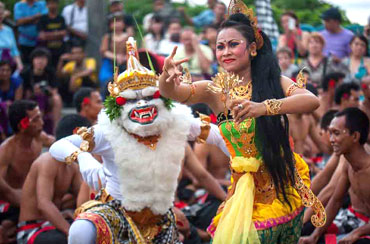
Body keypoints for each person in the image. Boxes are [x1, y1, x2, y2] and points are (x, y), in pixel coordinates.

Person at [159, 0, 323, 242]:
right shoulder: (215, 90)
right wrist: (166, 77)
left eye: (233, 45)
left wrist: (263, 108)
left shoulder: (272, 82)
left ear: (253, 48)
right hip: (241, 190)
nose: (225, 52)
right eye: (220, 46)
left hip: (278, 187)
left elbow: (311, 101)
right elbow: (174, 94)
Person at [49, 37, 226, 243]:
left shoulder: (175, 121)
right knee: (81, 229)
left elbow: (219, 135)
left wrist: (244, 162)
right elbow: (58, 145)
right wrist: (83, 159)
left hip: (160, 216)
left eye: (149, 97)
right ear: (118, 105)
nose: (141, 104)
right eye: (132, 99)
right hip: (115, 210)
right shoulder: (109, 130)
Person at [299, 108, 370, 244]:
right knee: (308, 232)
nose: (331, 140)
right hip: (355, 220)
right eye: (330, 133)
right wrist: (314, 236)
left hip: (363, 227)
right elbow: (335, 201)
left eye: (336, 133)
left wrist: (357, 233)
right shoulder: (348, 165)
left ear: (355, 136)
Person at [16, 114, 86, 244]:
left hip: (51, 226)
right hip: (31, 230)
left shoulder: (72, 167)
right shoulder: (48, 160)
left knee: (90, 230)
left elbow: (84, 199)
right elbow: (43, 204)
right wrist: (70, 232)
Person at [0, 100, 54, 241]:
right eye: (36, 119)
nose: (41, 122)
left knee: (66, 199)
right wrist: (28, 202)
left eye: (40, 117)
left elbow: (56, 142)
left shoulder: (39, 138)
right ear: (22, 125)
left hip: (33, 197)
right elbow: (3, 189)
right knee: (6, 226)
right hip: (11, 203)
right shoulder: (6, 151)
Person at [21, 47, 62, 134]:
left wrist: (48, 90)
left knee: (57, 98)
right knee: (39, 99)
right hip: (30, 100)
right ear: (33, 60)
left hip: (47, 99)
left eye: (43, 58)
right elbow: (22, 94)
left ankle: (56, 131)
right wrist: (33, 92)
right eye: (38, 58)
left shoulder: (50, 72)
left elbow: (55, 91)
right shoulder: (26, 73)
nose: (40, 61)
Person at [14, 0, 48, 65]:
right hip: (24, 42)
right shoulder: (19, 5)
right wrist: (36, 17)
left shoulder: (42, 3)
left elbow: (45, 18)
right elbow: (19, 22)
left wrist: (26, 20)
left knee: (40, 64)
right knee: (26, 64)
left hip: (41, 42)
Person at [99, 14, 128, 89]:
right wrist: (116, 57)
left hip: (125, 62)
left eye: (119, 21)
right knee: (105, 79)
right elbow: (104, 51)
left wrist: (124, 57)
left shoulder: (128, 36)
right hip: (110, 63)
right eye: (114, 22)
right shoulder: (108, 37)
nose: (117, 24)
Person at [37, 0, 67, 68]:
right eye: (50, 3)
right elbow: (42, 36)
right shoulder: (43, 19)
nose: (52, 6)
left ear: (57, 5)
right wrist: (57, 34)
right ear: (47, 5)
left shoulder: (61, 18)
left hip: (60, 51)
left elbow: (64, 34)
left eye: (54, 3)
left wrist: (48, 34)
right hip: (46, 52)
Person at [0, 1, 23, 72]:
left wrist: (19, 64)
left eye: (1, 14)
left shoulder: (8, 30)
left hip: (8, 66)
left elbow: (14, 50)